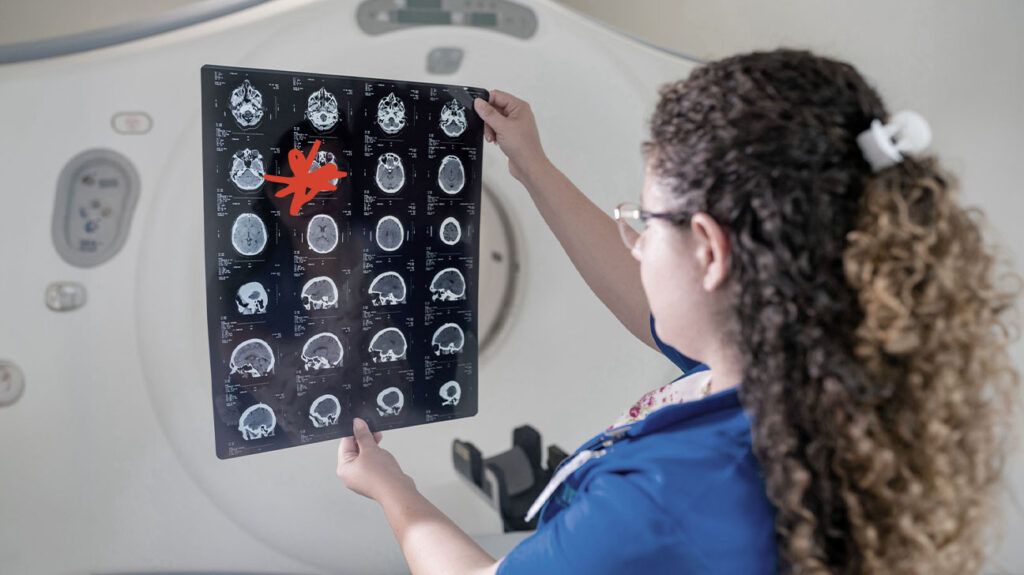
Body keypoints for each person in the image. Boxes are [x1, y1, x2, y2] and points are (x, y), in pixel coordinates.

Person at [336, 49, 1020, 574]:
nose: (633, 244)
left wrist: (394, 492)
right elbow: (652, 309)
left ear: (710, 251)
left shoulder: (663, 497)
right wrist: (532, 165)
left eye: (644, 222)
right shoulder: (799, 369)